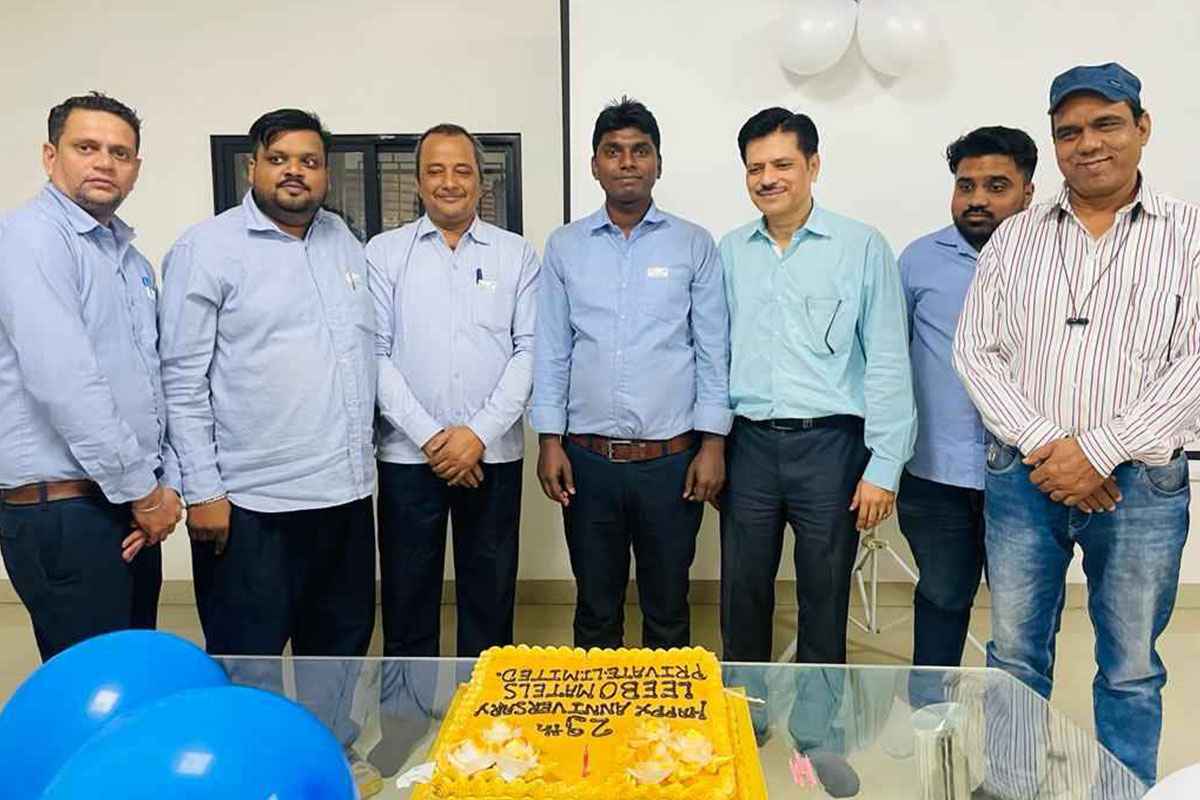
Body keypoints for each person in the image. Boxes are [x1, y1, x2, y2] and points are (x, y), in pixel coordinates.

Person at [954, 62, 1198, 787]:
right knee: (1013, 653)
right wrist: (1049, 448)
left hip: (1141, 486)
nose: (1088, 144)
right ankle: (1012, 782)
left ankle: (1122, 789)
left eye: (1106, 124)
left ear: (1142, 128)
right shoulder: (1016, 237)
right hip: (1024, 479)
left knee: (1130, 664)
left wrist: (1099, 451)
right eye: (1069, 132)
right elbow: (975, 351)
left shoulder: (1189, 234)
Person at [158, 108, 380, 793]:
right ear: (253, 166)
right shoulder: (208, 248)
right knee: (247, 654)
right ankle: (249, 772)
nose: (294, 172)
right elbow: (181, 379)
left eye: (309, 161)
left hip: (343, 494)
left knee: (336, 648)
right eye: (279, 159)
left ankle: (325, 760)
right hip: (251, 504)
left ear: (326, 173)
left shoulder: (343, 241)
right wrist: (203, 490)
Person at [531, 97, 731, 649]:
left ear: (658, 163)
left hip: (672, 463)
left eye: (640, 151)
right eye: (613, 151)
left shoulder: (694, 244)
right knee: (595, 609)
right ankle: (600, 709)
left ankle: (664, 708)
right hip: (587, 461)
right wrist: (549, 440)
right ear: (594, 165)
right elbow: (553, 349)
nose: (626, 162)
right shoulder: (566, 247)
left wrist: (713, 444)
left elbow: (712, 349)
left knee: (668, 608)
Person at [719, 107, 916, 666]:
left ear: (813, 165)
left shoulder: (861, 246)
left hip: (831, 446)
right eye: (755, 168)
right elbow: (714, 353)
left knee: (825, 596)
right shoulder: (730, 251)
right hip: (749, 446)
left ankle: (818, 714)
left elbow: (887, 360)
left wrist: (884, 466)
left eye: (782, 164)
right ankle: (744, 705)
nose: (767, 178)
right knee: (741, 594)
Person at [0, 92, 182, 661]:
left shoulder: (130, 261)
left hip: (123, 500)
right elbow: (65, 381)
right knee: (92, 685)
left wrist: (162, 487)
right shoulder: (32, 238)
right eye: (87, 147)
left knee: (128, 675)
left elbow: (151, 382)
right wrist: (145, 494)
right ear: (50, 155)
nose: (105, 162)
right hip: (64, 509)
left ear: (136, 168)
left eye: (120, 153)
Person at [366, 123, 538, 658]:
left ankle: (484, 706)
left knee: (490, 601)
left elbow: (529, 351)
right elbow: (374, 354)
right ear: (418, 181)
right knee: (406, 599)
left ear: (481, 181)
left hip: (492, 455)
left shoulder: (517, 255)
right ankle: (406, 707)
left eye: (462, 170)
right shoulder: (384, 253)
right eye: (435, 170)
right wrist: (433, 438)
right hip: (408, 455)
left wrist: (477, 435)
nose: (449, 182)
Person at [896, 126, 1037, 680]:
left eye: (997, 186)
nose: (977, 199)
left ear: (1028, 191)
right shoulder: (918, 261)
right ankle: (931, 714)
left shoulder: (1054, 260)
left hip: (1030, 472)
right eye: (965, 185)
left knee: (1025, 611)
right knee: (942, 595)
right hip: (937, 473)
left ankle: (1019, 718)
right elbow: (889, 361)